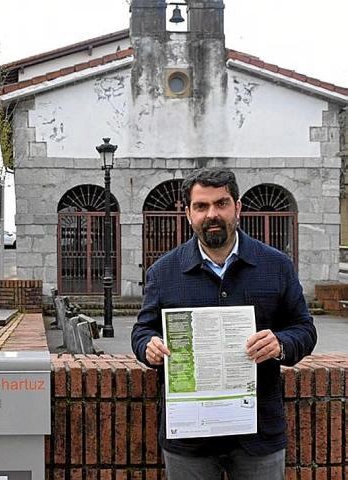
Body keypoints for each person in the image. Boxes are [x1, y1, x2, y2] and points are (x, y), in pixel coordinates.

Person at [131, 168, 316, 480]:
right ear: (188, 213)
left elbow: (304, 329)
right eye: (201, 206)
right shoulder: (163, 272)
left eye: (221, 203)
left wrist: (281, 344)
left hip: (258, 432)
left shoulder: (277, 265)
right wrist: (147, 346)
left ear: (238, 207)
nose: (212, 214)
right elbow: (142, 330)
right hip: (189, 434)